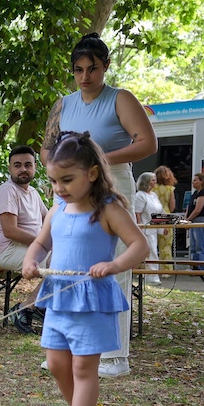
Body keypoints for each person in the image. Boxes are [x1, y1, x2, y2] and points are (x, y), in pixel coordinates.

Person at [22, 131, 148, 406]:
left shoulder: (107, 208)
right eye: (53, 181)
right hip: (59, 299)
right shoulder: (57, 210)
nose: (59, 188)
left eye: (67, 179)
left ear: (92, 173)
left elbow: (139, 245)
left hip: (92, 300)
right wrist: (31, 259)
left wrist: (114, 264)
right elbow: (41, 243)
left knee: (83, 368)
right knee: (55, 363)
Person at [41, 33, 157, 378]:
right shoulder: (61, 104)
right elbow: (47, 148)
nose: (85, 76)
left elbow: (147, 142)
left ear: (105, 66)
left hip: (110, 181)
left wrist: (97, 159)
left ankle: (112, 355)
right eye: (78, 70)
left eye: (92, 68)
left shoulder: (120, 98)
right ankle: (62, 345)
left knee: (112, 265)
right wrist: (63, 171)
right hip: (68, 186)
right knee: (64, 261)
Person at [0, 145, 48, 332]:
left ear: (35, 166)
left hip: (30, 248)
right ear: (9, 168)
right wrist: (44, 243)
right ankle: (27, 309)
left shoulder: (33, 193)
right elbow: (10, 231)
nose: (23, 169)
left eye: (27, 165)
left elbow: (49, 220)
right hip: (8, 250)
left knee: (69, 261)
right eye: (17, 165)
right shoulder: (8, 191)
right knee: (61, 267)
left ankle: (35, 308)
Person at [133, 172, 162, 282]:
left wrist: (162, 228)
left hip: (154, 228)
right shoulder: (140, 195)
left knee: (154, 251)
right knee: (150, 252)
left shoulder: (153, 195)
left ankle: (153, 275)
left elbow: (158, 211)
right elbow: (137, 213)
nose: (155, 182)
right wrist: (139, 229)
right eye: (152, 180)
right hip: (144, 228)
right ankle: (150, 276)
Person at [153, 166, 177, 270]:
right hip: (166, 218)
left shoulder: (152, 188)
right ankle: (166, 269)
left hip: (153, 217)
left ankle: (148, 269)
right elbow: (172, 207)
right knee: (165, 246)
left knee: (151, 244)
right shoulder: (169, 189)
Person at [185, 173, 204, 270]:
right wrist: (185, 218)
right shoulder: (195, 193)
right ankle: (194, 266)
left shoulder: (203, 193)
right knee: (193, 245)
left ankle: (203, 268)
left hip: (200, 220)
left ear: (201, 181)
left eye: (196, 180)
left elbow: (198, 209)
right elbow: (190, 207)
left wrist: (188, 219)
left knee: (200, 245)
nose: (193, 182)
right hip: (193, 221)